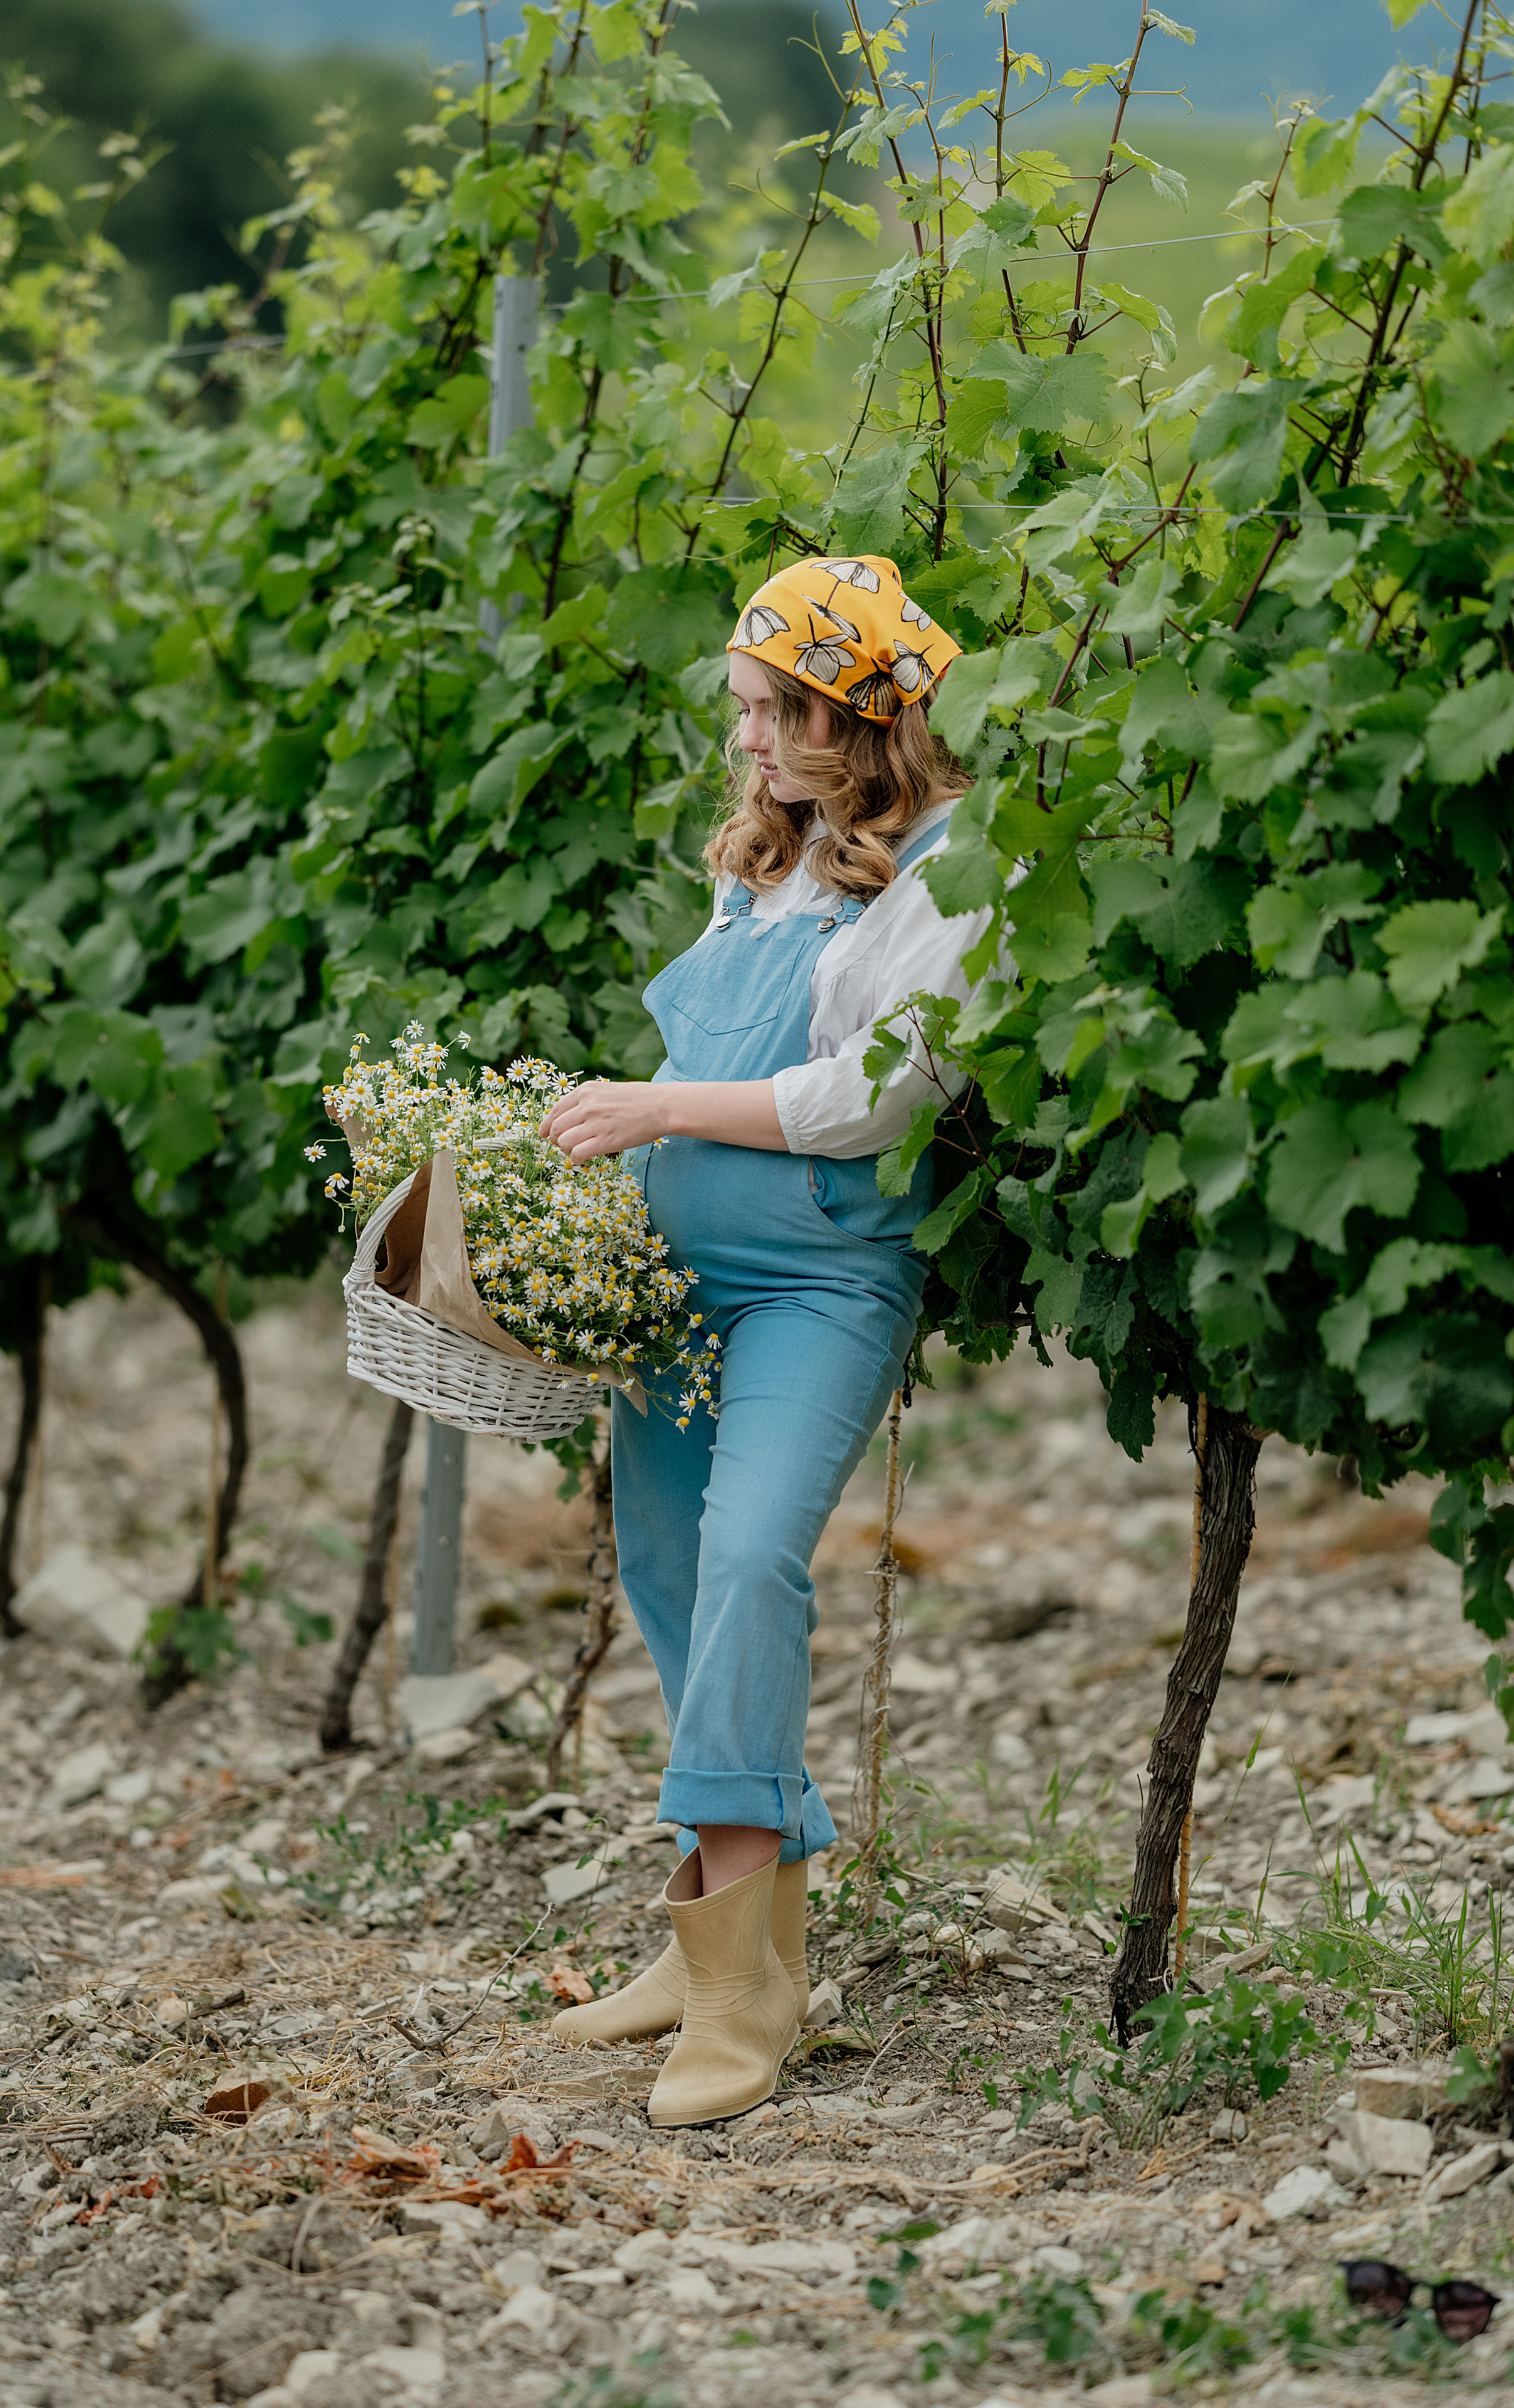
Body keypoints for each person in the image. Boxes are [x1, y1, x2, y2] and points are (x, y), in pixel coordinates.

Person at [537, 554, 990, 2128]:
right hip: (677, 1284)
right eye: (740, 710)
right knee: (667, 1570)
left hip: (816, 1287)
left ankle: (740, 1995)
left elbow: (873, 1098)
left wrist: (655, 1108)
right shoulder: (768, 856)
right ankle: (719, 1933)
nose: (742, 742)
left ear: (853, 718)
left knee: (746, 1564)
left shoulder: (944, 873)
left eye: (767, 713)